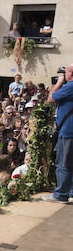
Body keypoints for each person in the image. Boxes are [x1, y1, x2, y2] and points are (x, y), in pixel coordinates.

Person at [44, 63, 73, 203]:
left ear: (70, 73)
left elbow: (50, 99)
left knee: (63, 163)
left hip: (68, 131)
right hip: (69, 130)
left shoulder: (70, 86)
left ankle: (61, 195)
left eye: (65, 72)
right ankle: (70, 191)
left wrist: (59, 83)